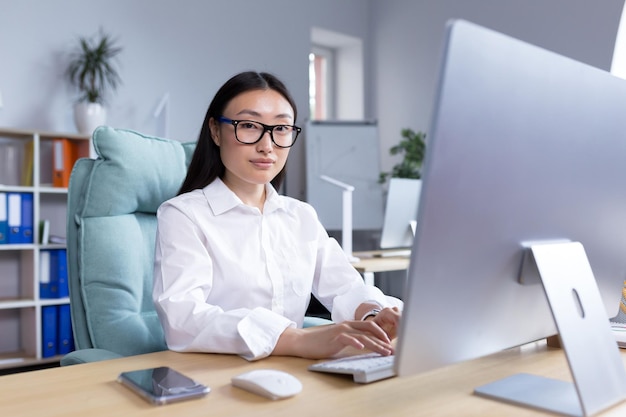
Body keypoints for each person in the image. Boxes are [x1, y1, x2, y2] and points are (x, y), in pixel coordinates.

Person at [152, 71, 402, 361]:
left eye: (281, 128)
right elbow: (182, 318)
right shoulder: (183, 215)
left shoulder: (300, 216)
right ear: (215, 131)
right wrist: (295, 339)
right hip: (215, 373)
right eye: (248, 125)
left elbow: (345, 286)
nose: (267, 145)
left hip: (291, 372)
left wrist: (373, 315)